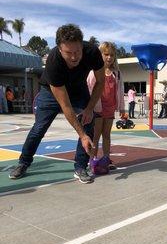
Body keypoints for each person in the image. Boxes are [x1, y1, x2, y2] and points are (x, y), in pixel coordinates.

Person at [9, 24, 105, 183]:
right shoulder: (54, 61)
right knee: (39, 127)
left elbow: (100, 82)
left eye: (77, 52)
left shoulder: (92, 52)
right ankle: (24, 162)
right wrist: (81, 135)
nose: (74, 57)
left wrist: (89, 109)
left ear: (82, 46)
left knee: (89, 120)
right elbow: (66, 106)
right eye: (69, 53)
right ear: (59, 49)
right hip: (51, 91)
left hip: (78, 88)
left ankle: (80, 167)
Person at [87, 41, 125, 170]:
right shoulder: (94, 72)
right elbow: (89, 88)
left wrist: (122, 107)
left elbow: (120, 91)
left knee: (107, 135)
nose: (109, 57)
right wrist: (89, 108)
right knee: (96, 136)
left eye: (112, 55)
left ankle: (107, 158)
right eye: (106, 54)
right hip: (97, 109)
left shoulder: (117, 73)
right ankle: (92, 160)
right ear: (101, 55)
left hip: (110, 108)